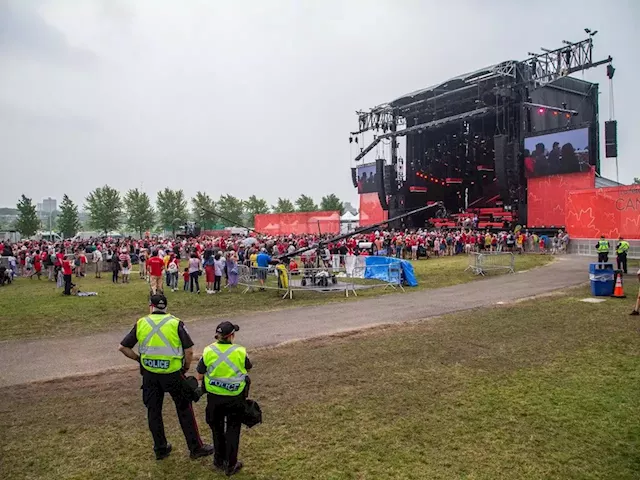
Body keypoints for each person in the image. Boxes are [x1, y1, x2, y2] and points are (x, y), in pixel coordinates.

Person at [118, 294, 214, 460]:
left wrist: (139, 359)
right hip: (173, 374)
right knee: (185, 409)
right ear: (166, 307)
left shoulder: (141, 323)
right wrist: (185, 367)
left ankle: (160, 448)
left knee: (153, 411)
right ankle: (195, 447)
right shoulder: (176, 323)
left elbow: (123, 347)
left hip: (149, 375)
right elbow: (189, 350)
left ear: (151, 306)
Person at [196, 321, 252, 476]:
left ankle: (219, 460)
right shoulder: (240, 351)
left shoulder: (208, 351)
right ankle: (231, 464)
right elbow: (248, 367)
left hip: (214, 397)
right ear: (232, 336)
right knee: (233, 429)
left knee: (217, 429)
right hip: (235, 397)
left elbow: (200, 374)